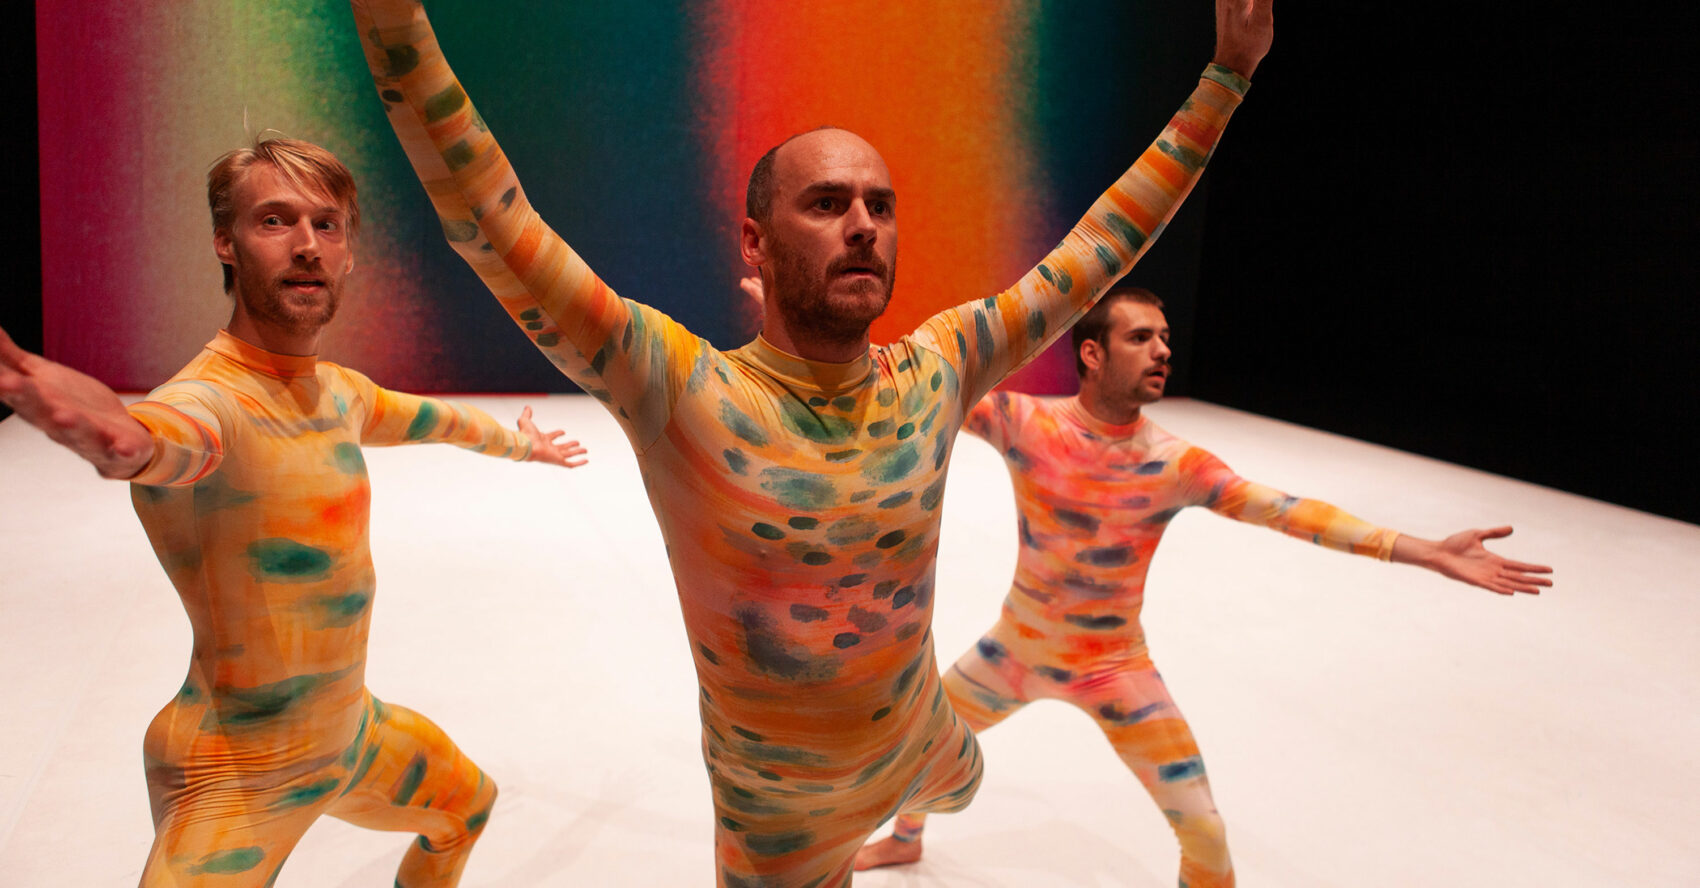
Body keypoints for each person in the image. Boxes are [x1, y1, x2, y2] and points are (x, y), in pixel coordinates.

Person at [349, 1, 1272, 883]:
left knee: (962, 777)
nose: (864, 224)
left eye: (880, 203)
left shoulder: (938, 367)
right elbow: (490, 220)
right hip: (779, 816)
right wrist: (392, 17)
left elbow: (1102, 245)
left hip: (926, 744)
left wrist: (1225, 80)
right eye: (827, 203)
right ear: (754, 243)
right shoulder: (683, 389)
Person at [0, 136, 587, 887]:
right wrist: (103, 431)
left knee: (466, 806)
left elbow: (435, 419)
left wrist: (518, 444)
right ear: (226, 241)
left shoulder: (337, 393)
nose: (307, 245)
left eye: (327, 224)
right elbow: (150, 442)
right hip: (237, 772)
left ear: (348, 253)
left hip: (351, 739)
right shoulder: (211, 402)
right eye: (275, 221)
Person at [851, 287, 1554, 886]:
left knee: (1206, 833)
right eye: (1140, 337)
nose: (1162, 350)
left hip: (1114, 668)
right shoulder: (1025, 425)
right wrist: (813, 333)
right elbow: (920, 385)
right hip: (1015, 652)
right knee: (914, 755)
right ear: (1092, 353)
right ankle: (909, 836)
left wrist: (1423, 550)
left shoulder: (1174, 463)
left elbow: (1289, 512)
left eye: (1164, 337)